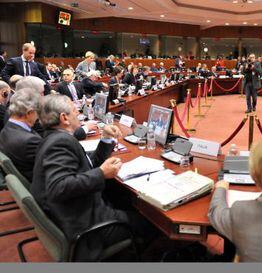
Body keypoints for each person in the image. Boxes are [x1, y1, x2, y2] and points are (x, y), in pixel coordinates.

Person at [31, 94, 158, 261]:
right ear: (64, 118)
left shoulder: (53, 137)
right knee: (151, 221)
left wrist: (106, 139)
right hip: (87, 225)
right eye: (75, 110)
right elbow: (59, 187)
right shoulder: (60, 142)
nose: (78, 113)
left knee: (123, 198)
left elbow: (86, 164)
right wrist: (101, 173)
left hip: (75, 209)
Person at [0, 88, 41, 182]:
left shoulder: (7, 129)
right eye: (37, 112)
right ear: (29, 113)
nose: (38, 116)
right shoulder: (30, 141)